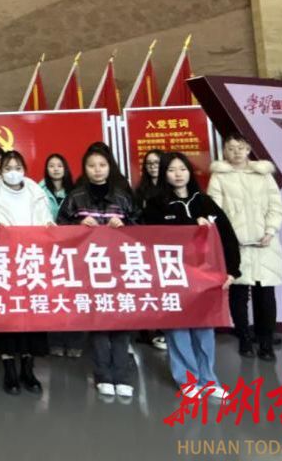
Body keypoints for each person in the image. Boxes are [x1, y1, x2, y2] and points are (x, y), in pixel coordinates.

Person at [143, 152, 239, 398]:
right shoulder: (155, 204)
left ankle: (208, 380)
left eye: (182, 169)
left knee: (204, 329)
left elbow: (227, 236)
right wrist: (189, 223)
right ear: (164, 174)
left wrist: (232, 270)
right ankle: (187, 380)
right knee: (178, 329)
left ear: (190, 172)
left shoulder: (205, 202)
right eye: (171, 170)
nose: (178, 174)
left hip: (204, 278)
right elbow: (151, 236)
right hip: (173, 276)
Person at [58, 144, 139, 398]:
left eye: (102, 165)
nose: (97, 170)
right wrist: (77, 223)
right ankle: (103, 374)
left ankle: (122, 375)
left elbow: (141, 227)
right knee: (99, 322)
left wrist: (124, 224)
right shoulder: (75, 196)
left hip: (120, 267)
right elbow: (59, 227)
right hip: (90, 269)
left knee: (122, 321)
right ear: (85, 168)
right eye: (92, 165)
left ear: (109, 167)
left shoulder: (122, 196)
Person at [0, 150, 52, 394]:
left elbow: (46, 220)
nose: (13, 172)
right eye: (7, 168)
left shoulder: (35, 190)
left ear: (24, 169)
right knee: (8, 315)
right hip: (4, 261)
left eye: (17, 167)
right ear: (0, 170)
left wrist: (49, 227)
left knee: (32, 315)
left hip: (32, 261)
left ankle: (28, 369)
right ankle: (9, 369)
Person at [208, 133, 282, 361]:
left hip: (264, 244)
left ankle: (266, 343)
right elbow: (214, 211)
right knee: (239, 295)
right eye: (231, 148)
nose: (236, 152)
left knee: (266, 295)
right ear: (225, 151)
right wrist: (229, 238)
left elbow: (276, 206)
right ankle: (244, 339)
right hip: (236, 246)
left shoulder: (263, 174)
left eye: (241, 147)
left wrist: (270, 230)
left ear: (248, 149)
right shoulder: (219, 176)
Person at [40, 153, 83, 358]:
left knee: (75, 296)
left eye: (59, 165)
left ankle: (75, 342)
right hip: (47, 249)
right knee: (54, 296)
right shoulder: (37, 191)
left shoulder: (76, 191)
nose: (56, 169)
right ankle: (55, 341)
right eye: (52, 165)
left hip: (73, 249)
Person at [133, 150, 168, 352]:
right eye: (149, 164)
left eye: (157, 163)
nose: (153, 167)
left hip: (166, 247)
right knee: (146, 288)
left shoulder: (171, 188)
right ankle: (145, 331)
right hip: (145, 247)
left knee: (165, 289)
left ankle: (164, 330)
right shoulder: (140, 191)